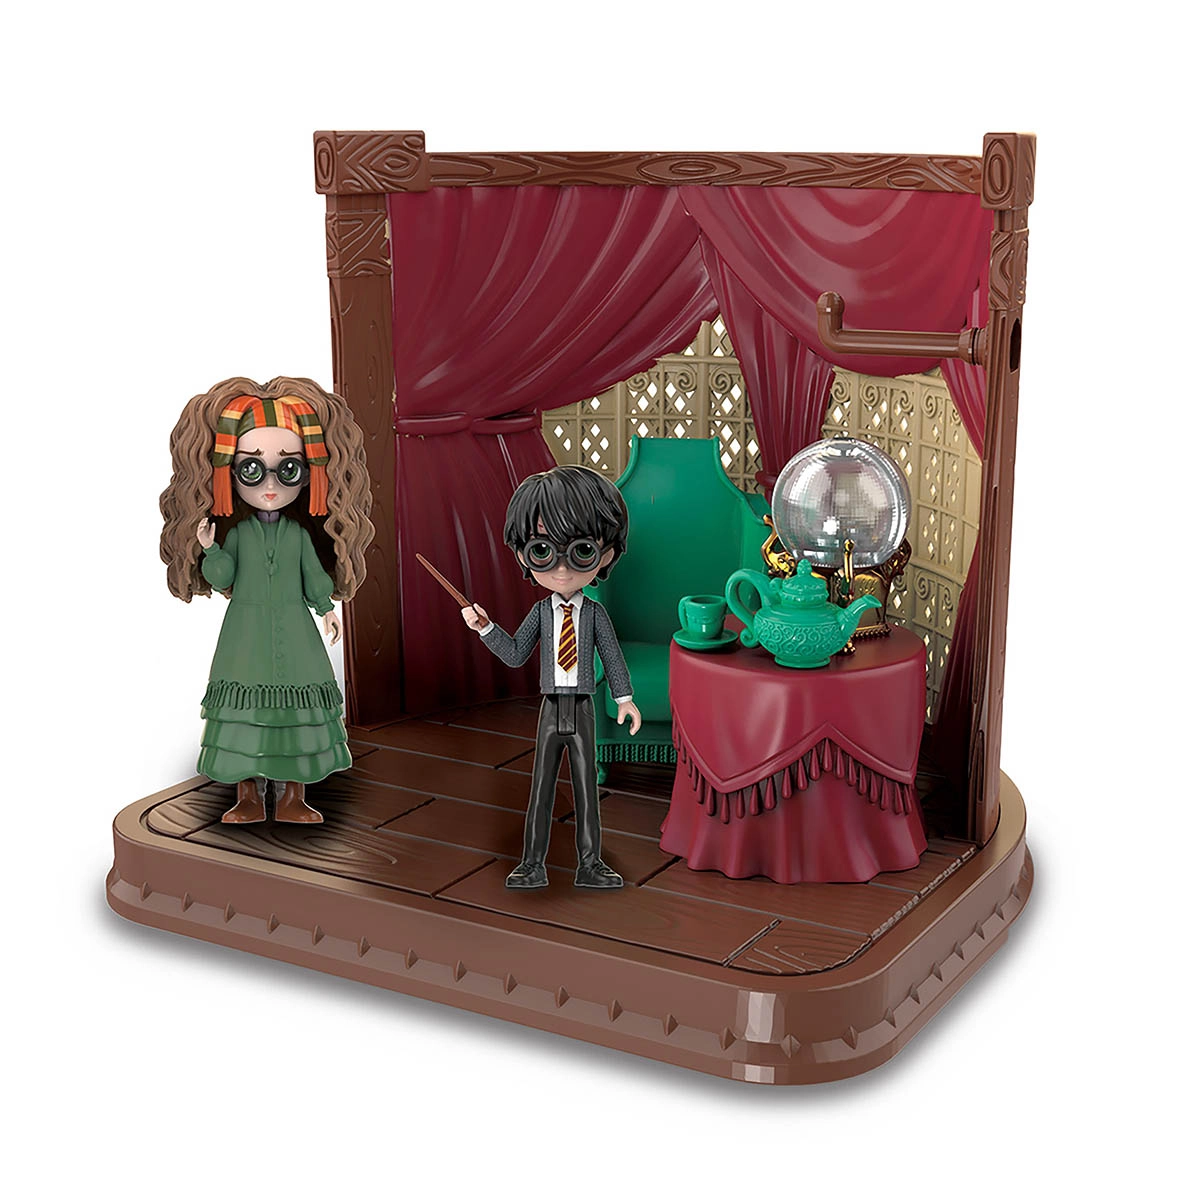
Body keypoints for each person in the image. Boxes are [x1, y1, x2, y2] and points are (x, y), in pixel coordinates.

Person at [160, 377, 374, 824]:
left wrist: (326, 609)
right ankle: (247, 796)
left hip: (296, 630)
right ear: (229, 474)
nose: (271, 484)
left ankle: (294, 796)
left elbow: (313, 576)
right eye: (252, 470)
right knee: (245, 709)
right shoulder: (238, 534)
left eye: (288, 469)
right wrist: (211, 548)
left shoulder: (297, 534)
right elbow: (224, 577)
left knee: (297, 711)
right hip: (244, 632)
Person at [462, 465, 641, 889]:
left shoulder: (594, 614)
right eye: (543, 550)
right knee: (541, 787)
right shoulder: (541, 613)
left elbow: (612, 657)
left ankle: (590, 864)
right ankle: (532, 864)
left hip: (582, 708)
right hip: (549, 709)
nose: (561, 569)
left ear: (606, 554)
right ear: (524, 555)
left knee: (585, 789)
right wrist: (485, 628)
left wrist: (624, 699)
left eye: (581, 551)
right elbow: (514, 654)